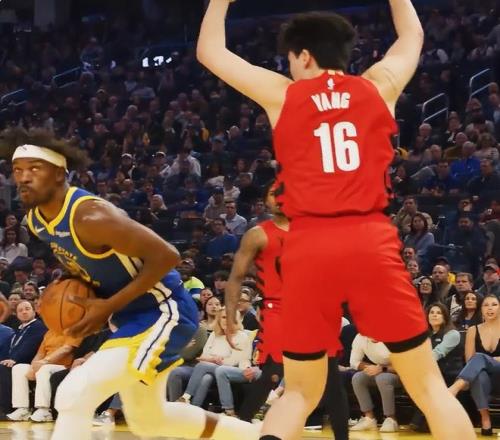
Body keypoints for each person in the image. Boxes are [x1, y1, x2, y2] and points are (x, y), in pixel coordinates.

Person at [198, 1, 476, 439]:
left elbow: (210, 52)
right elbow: (413, 36)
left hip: (309, 244)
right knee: (428, 386)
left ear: (304, 55)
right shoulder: (379, 85)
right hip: (370, 239)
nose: (289, 68)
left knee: (298, 393)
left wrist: (219, 2)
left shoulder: (284, 95)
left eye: (290, 59)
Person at [3, 129, 261, 440]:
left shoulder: (92, 216)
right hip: (128, 317)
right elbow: (86, 263)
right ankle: (257, 436)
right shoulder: (36, 220)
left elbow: (167, 256)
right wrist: (71, 289)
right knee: (149, 421)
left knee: (74, 392)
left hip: (163, 310)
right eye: (17, 170)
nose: (23, 178)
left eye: (34, 169)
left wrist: (106, 307)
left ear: (59, 174)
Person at [226, 181, 349, 439]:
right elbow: (235, 278)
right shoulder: (258, 234)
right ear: (265, 200)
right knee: (272, 373)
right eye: (273, 193)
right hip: (279, 309)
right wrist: (230, 318)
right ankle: (240, 428)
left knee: (332, 380)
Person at [177, 307, 252, 408]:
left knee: (202, 366)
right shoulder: (214, 334)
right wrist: (213, 359)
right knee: (206, 378)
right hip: (211, 368)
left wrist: (211, 359)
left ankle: (186, 396)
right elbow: (203, 356)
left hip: (231, 369)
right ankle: (194, 407)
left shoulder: (241, 336)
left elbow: (233, 361)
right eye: (223, 317)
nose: (226, 321)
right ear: (219, 319)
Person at [448, 295, 500, 436]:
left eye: (494, 304)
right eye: (486, 305)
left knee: (479, 357)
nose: (490, 308)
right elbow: (470, 361)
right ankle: (485, 419)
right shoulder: (473, 330)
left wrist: (487, 359)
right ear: (481, 309)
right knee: (478, 375)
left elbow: (476, 360)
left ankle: (456, 386)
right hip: (483, 378)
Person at [6, 329, 82, 422]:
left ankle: (44, 410)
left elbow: (66, 349)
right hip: (45, 363)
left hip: (64, 366)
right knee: (19, 368)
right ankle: (22, 409)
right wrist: (33, 368)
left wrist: (45, 362)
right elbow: (40, 354)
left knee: (44, 369)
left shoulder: (74, 330)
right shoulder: (50, 332)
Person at [410, 303, 463, 432]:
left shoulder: (452, 334)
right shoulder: (425, 335)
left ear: (445, 317)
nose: (434, 315)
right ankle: (425, 419)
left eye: (438, 313)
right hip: (432, 372)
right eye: (432, 312)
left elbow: (437, 354)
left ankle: (421, 419)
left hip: (450, 373)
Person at [0, 300, 47, 416]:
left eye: (27, 309)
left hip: (30, 362)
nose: (24, 312)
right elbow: (10, 348)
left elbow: (31, 345)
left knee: (4, 369)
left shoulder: (38, 326)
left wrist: (15, 359)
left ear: (34, 311)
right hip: (18, 361)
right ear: (16, 314)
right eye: (20, 310)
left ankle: (6, 408)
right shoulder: (19, 329)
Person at [349, 333, 401, 433]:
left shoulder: (393, 335)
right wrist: (372, 368)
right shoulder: (360, 337)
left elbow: (404, 364)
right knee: (358, 378)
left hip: (402, 373)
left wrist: (381, 369)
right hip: (380, 369)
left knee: (383, 378)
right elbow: (354, 362)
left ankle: (391, 419)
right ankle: (369, 418)